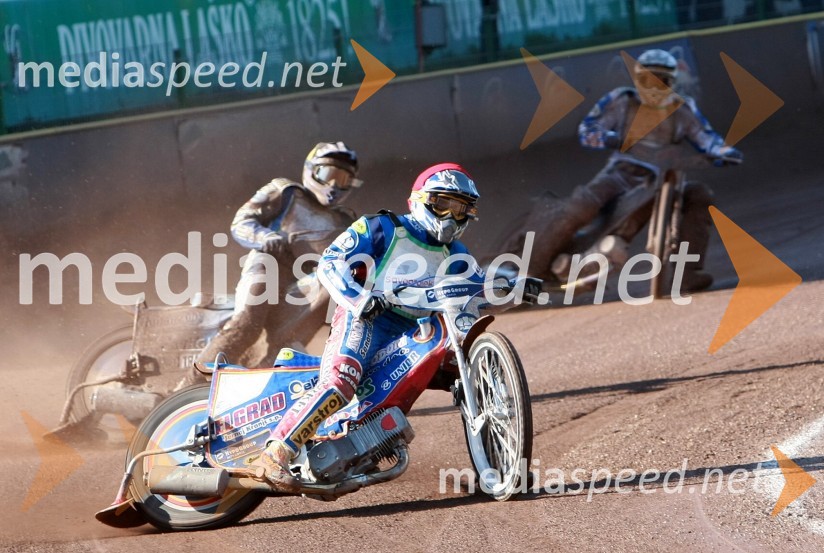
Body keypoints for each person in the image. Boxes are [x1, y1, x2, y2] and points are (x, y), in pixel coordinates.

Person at [250, 163, 488, 491]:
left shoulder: (456, 253)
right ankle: (275, 453)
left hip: (415, 331)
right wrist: (360, 299)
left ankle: (492, 470)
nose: (450, 216)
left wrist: (519, 283)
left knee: (468, 377)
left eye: (461, 209)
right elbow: (331, 263)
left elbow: (480, 283)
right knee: (341, 380)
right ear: (419, 200)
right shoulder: (382, 227)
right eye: (443, 204)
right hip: (366, 317)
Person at [501, 49, 742, 292]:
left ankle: (688, 273)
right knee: (584, 205)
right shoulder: (622, 100)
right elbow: (588, 129)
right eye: (650, 80)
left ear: (673, 83)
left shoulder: (683, 109)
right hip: (621, 174)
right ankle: (529, 273)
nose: (656, 88)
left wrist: (724, 153)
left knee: (699, 194)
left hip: (664, 177)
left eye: (663, 81)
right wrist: (607, 138)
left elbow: (707, 137)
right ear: (639, 80)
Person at [180, 142, 362, 388]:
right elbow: (241, 222)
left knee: (335, 312)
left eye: (342, 179)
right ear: (311, 170)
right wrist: (266, 237)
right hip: (270, 266)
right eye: (328, 175)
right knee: (247, 326)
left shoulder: (347, 219)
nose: (333, 185)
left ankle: (265, 379)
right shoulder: (286, 191)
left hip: (309, 283)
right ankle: (187, 388)